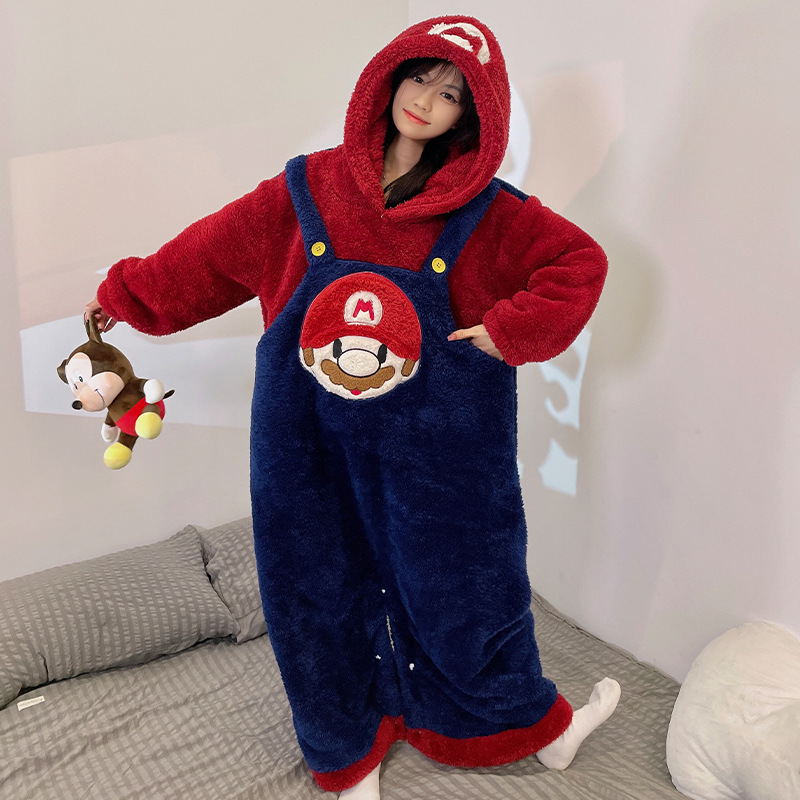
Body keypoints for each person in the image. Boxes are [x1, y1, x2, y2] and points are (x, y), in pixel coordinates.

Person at [86, 16, 619, 800]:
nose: (426, 101)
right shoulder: (306, 188)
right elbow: (207, 257)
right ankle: (348, 752)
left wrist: (509, 330)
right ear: (389, 77)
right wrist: (127, 296)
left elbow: (579, 261)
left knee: (466, 584)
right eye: (420, 78)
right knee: (312, 585)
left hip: (445, 445)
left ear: (471, 118)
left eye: (451, 95)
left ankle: (525, 726)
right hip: (306, 436)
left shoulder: (493, 213)